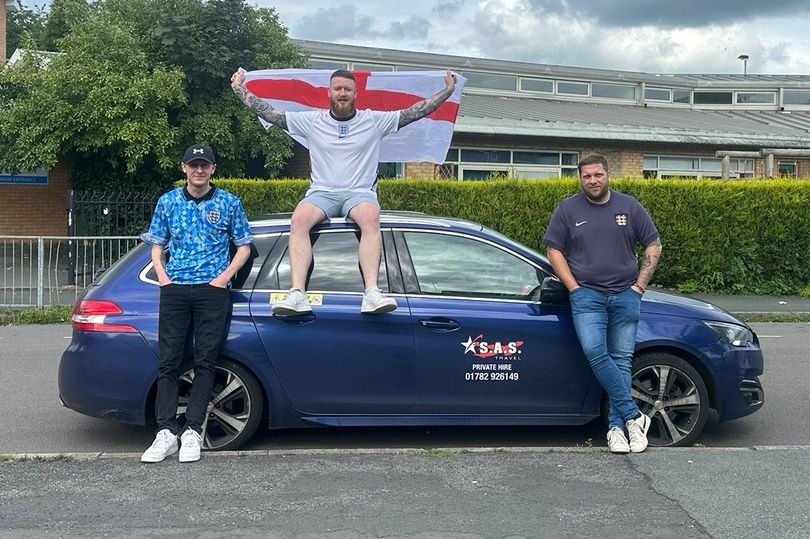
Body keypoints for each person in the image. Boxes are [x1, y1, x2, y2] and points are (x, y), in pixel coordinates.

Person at [230, 67, 457, 315]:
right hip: (321, 193)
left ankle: (371, 292)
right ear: (328, 92)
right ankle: (297, 293)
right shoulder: (312, 120)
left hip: (359, 194)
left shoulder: (374, 120)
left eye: (347, 89)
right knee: (299, 219)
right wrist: (240, 88)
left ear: (355, 93)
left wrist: (447, 91)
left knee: (371, 218)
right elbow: (271, 114)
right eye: (337, 88)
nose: (342, 93)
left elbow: (414, 112)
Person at [139, 144, 254, 463]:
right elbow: (157, 243)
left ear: (213, 169)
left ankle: (192, 431)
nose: (199, 170)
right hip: (175, 289)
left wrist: (223, 278)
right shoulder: (168, 202)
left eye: (205, 165)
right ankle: (165, 433)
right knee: (169, 362)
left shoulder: (229, 202)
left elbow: (244, 246)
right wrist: (162, 275)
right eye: (194, 165)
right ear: (184, 168)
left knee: (206, 361)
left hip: (212, 290)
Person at [543, 154, 662, 454]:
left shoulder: (630, 206)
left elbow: (653, 244)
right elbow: (554, 250)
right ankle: (635, 416)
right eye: (587, 176)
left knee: (621, 360)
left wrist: (639, 286)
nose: (593, 181)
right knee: (595, 352)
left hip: (626, 295)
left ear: (608, 175)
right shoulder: (568, 209)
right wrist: (574, 288)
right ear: (580, 178)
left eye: (598, 175)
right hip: (588, 298)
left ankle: (617, 430)